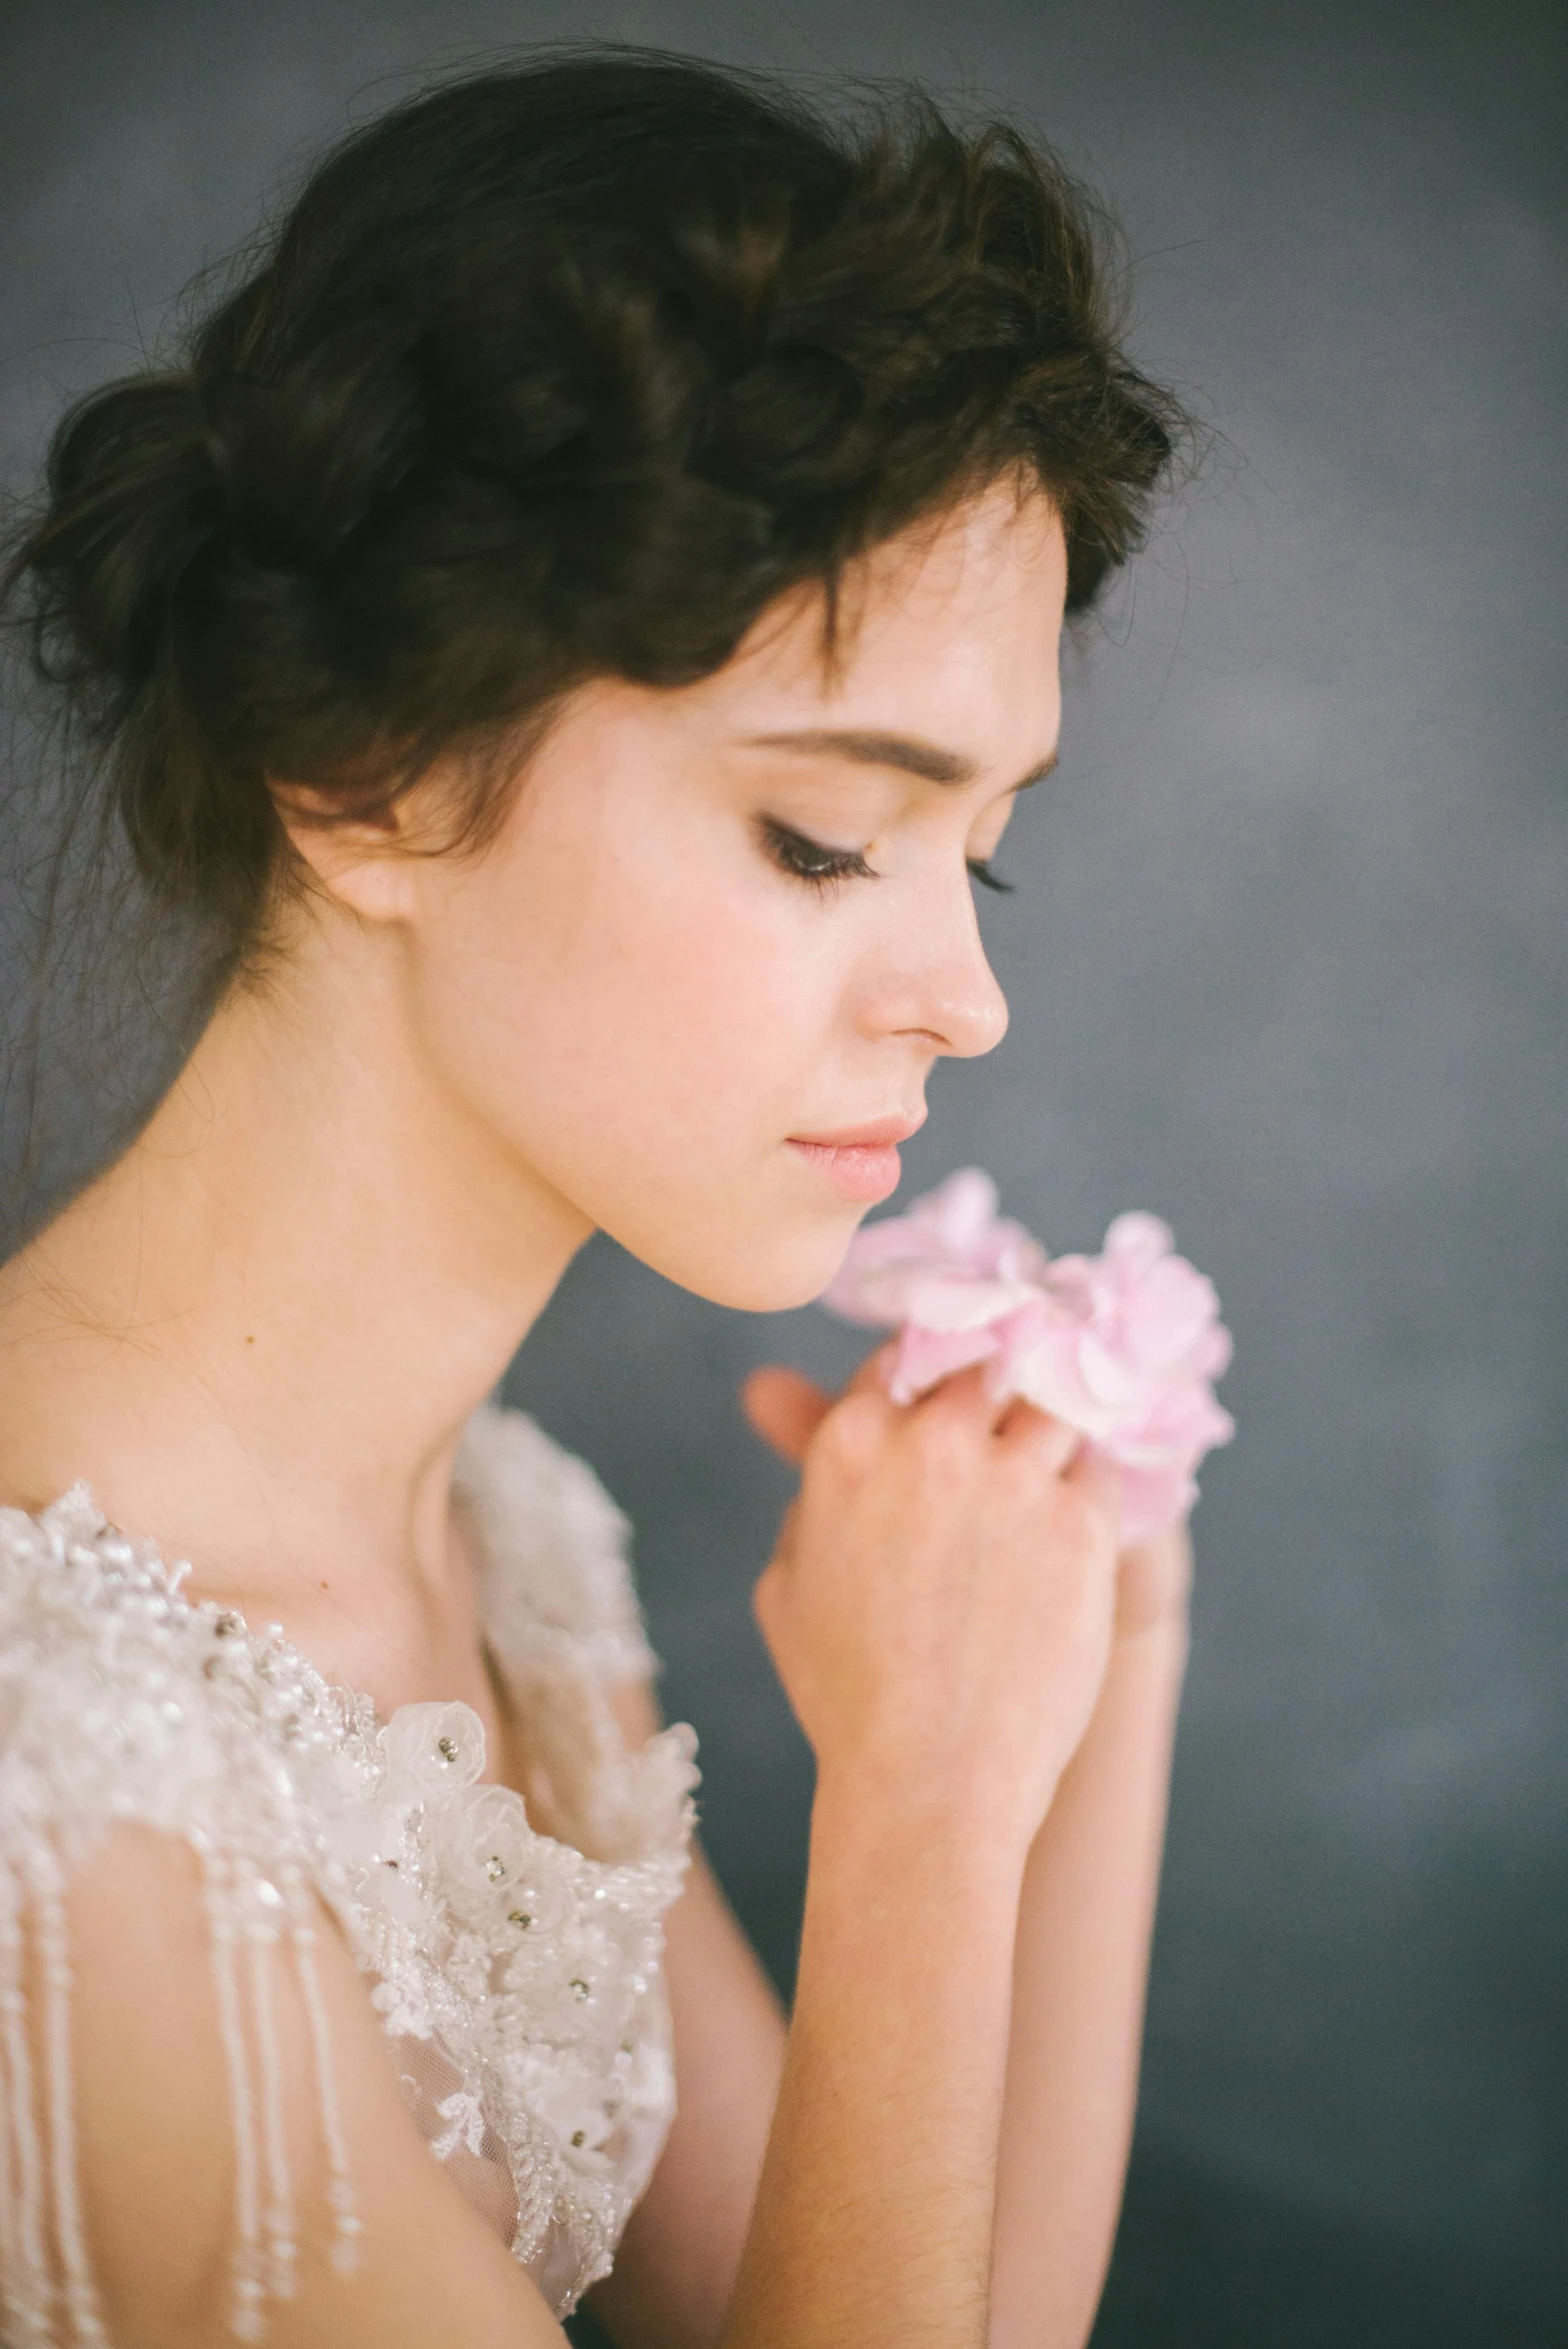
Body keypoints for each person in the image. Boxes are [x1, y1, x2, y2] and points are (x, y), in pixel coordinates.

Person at [0, 48, 1193, 2349]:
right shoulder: (52, 1756)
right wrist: (921, 1813)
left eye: (987, 843)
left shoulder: (504, 1531)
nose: (966, 999)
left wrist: (1095, 1636)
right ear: (366, 778)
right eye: (827, 836)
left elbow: (903, 2293)